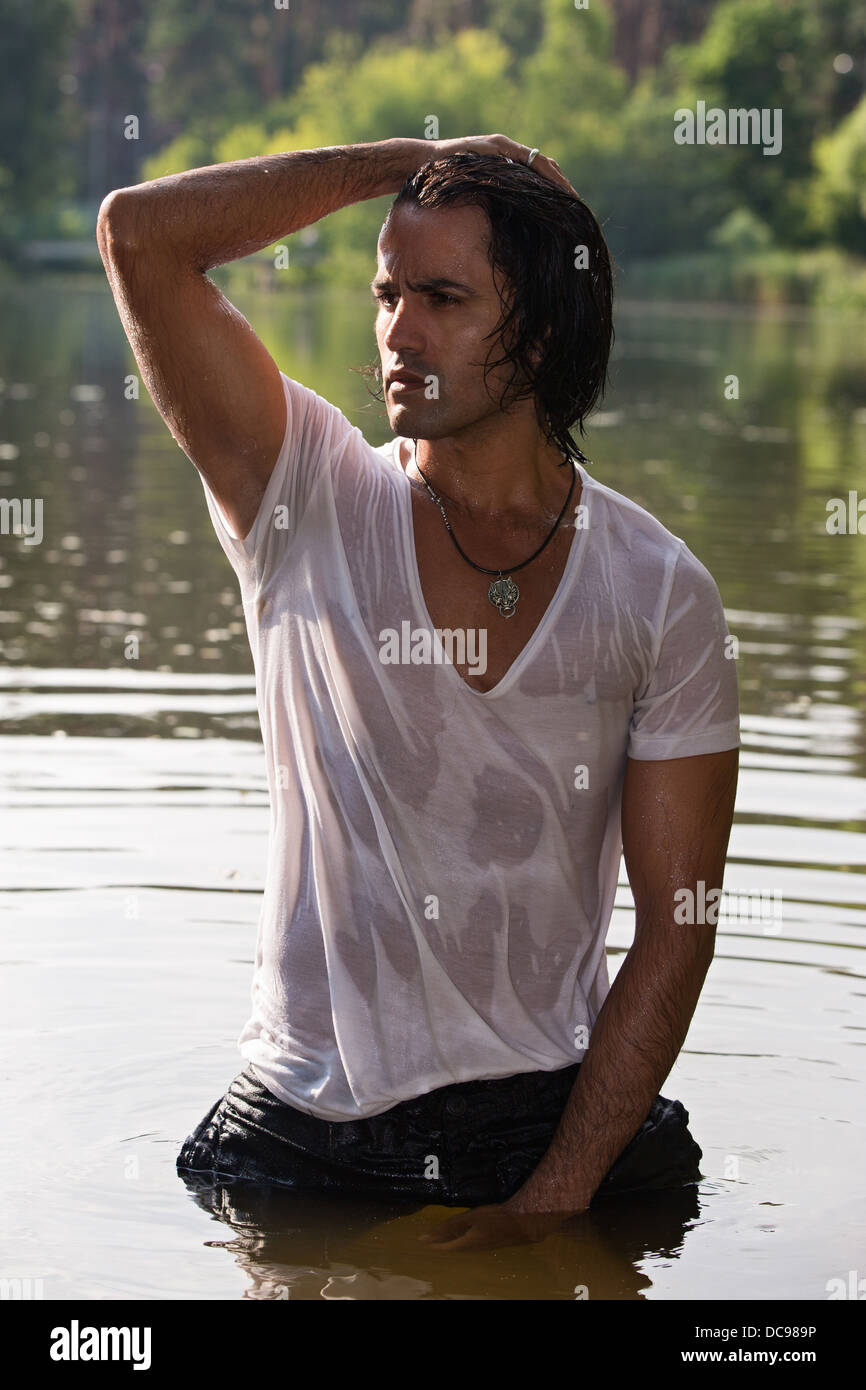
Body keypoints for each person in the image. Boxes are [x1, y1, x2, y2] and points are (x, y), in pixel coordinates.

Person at [97, 135, 739, 1252]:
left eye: (440, 297)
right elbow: (140, 238)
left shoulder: (658, 589)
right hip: (305, 1136)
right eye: (385, 293)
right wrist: (419, 156)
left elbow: (676, 928)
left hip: (552, 1120)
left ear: (539, 327)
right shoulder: (302, 497)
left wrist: (548, 1207)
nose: (396, 332)